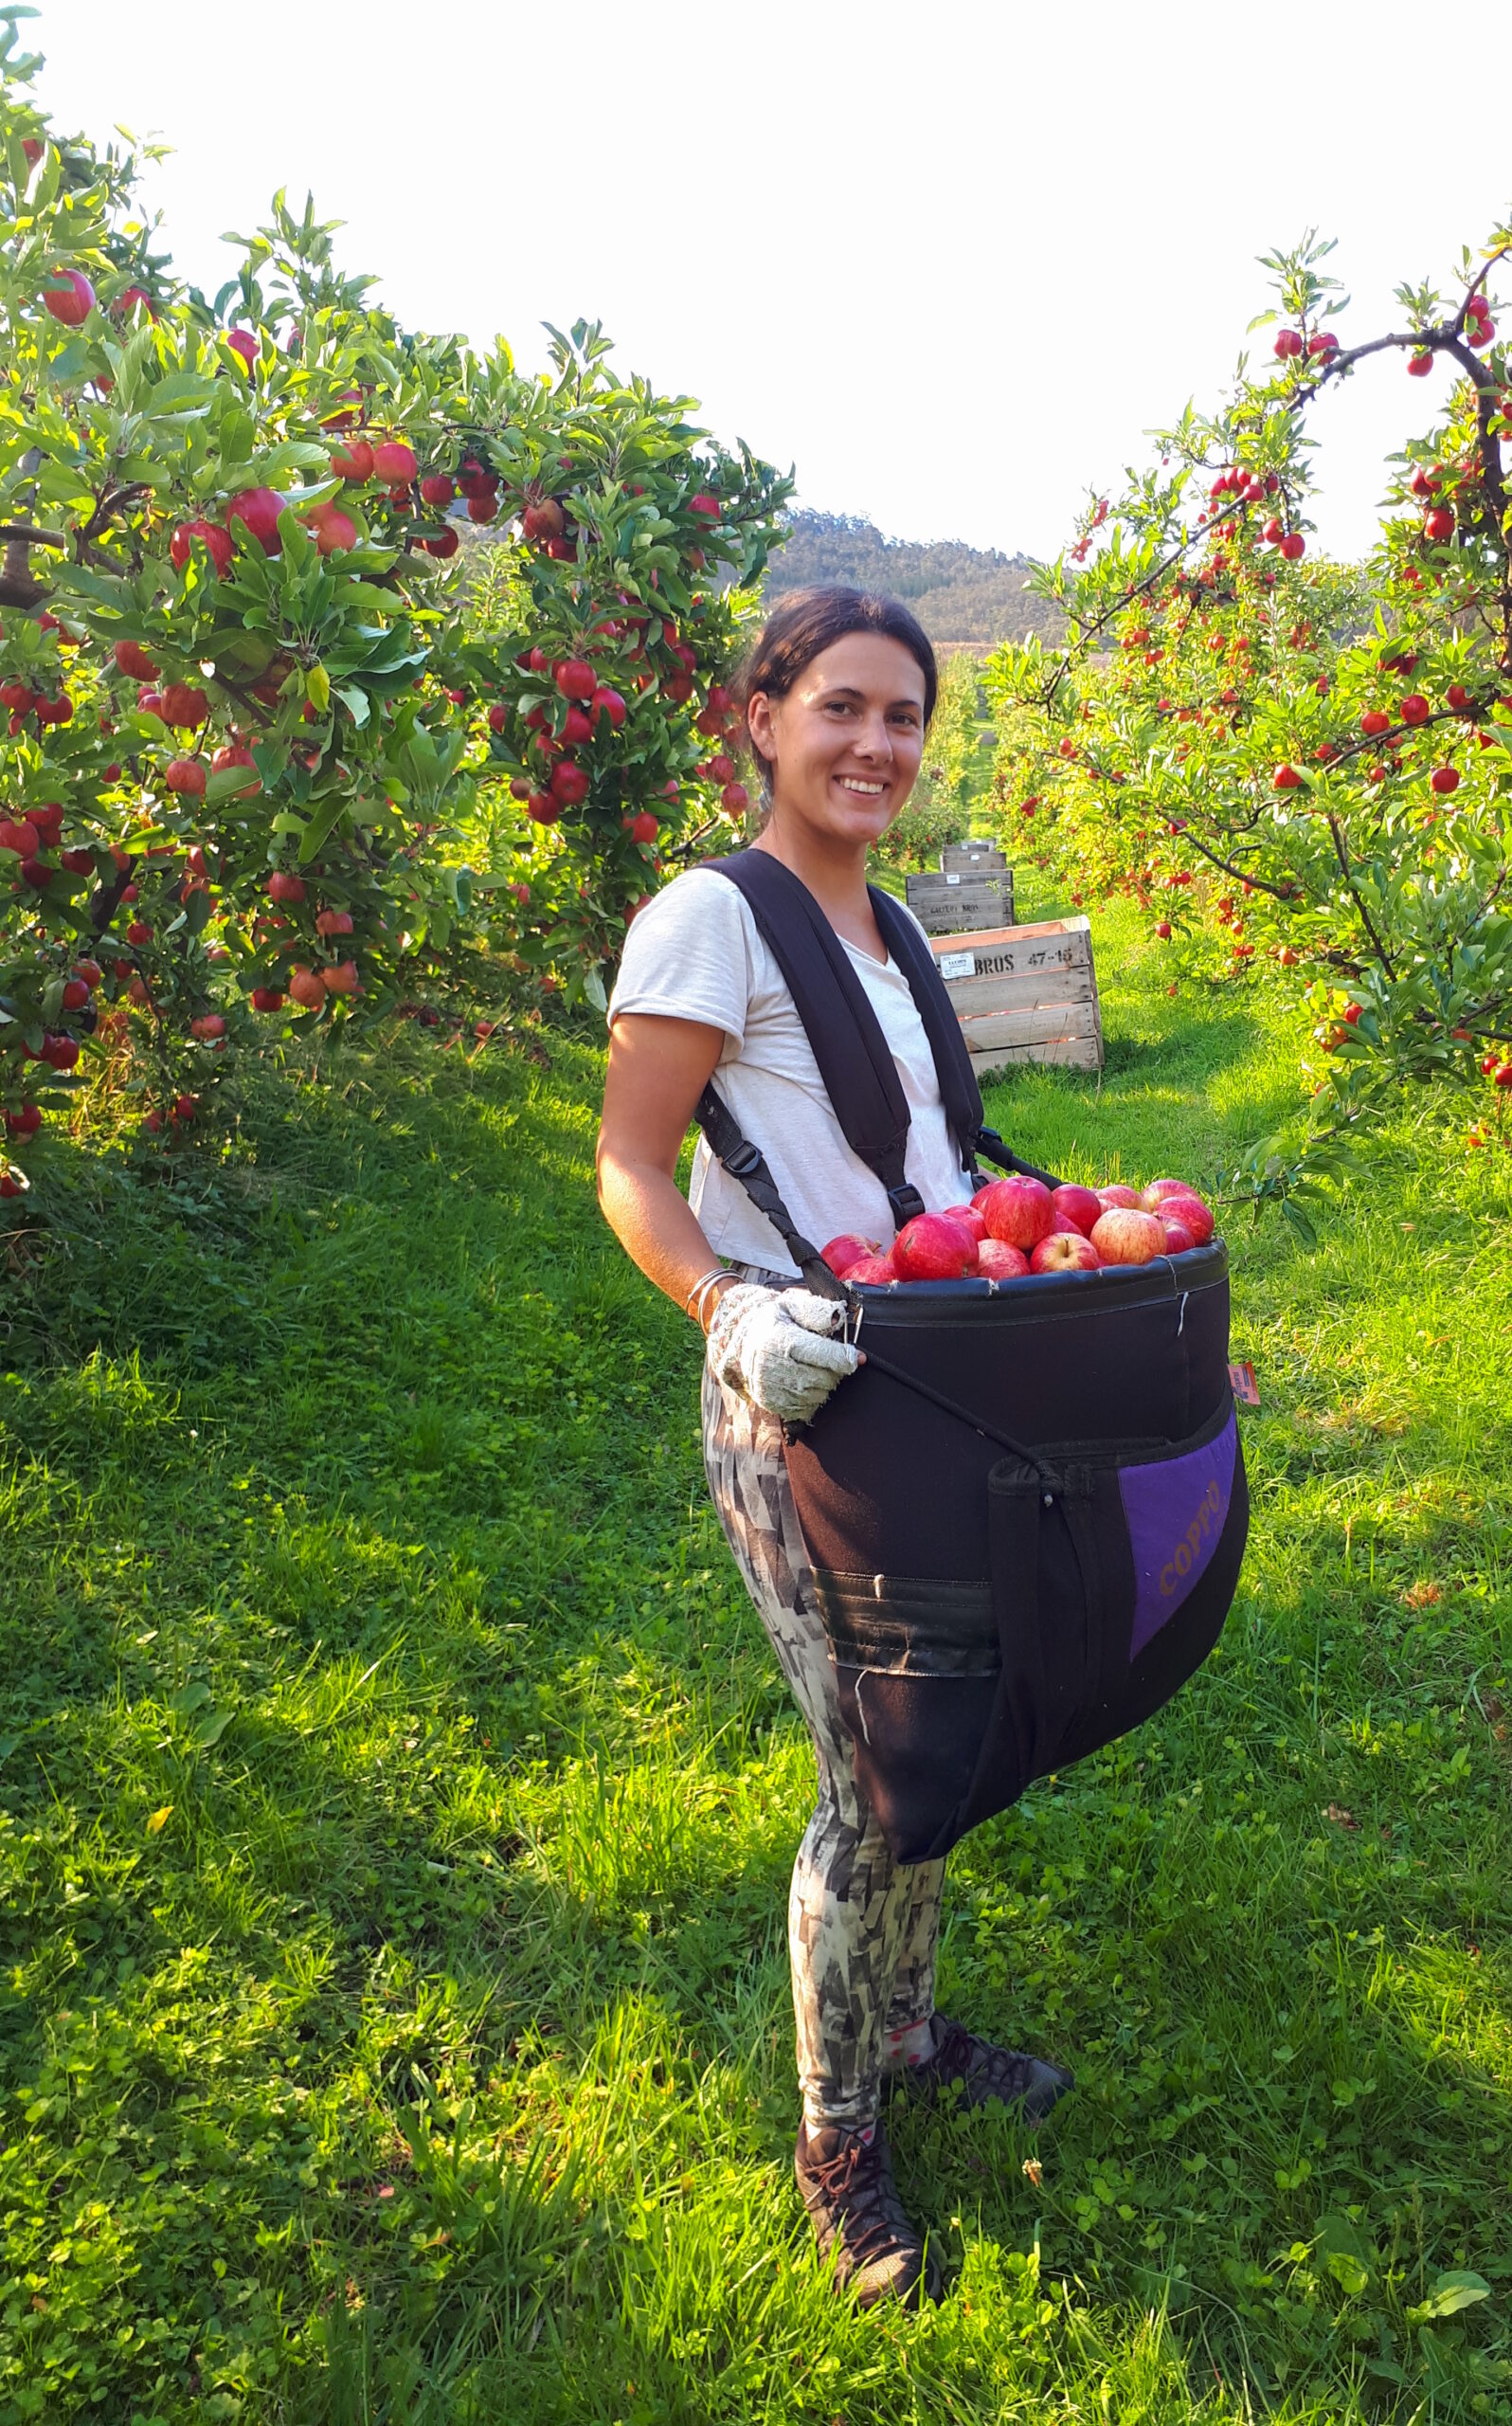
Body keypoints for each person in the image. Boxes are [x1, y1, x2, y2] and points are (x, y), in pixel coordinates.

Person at [594, 587, 1071, 2308]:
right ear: (763, 719)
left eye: (906, 718)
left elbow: (941, 1167)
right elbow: (631, 1163)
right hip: (799, 1392)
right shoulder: (715, 919)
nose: (879, 745)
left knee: (940, 1738)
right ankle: (836, 2134)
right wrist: (727, 1301)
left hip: (925, 1378)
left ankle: (916, 2031)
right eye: (844, 709)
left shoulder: (887, 936)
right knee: (872, 1769)